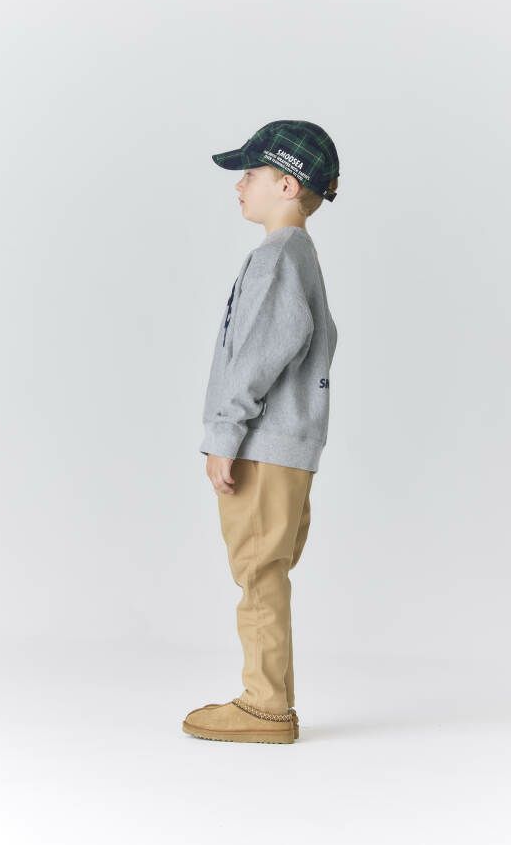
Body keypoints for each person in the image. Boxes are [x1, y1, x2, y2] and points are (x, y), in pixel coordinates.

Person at [182, 119, 340, 745]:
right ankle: (271, 702)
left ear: (287, 185)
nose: (239, 185)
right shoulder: (298, 258)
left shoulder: (277, 258)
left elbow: (255, 356)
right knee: (266, 570)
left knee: (258, 572)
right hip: (286, 447)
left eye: (250, 173)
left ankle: (266, 707)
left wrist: (224, 434)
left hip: (263, 447)